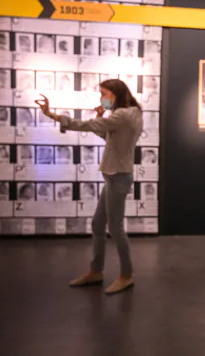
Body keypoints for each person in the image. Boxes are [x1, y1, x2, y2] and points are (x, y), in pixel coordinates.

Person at [35, 79, 142, 295]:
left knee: (115, 228)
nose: (101, 98)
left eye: (104, 93)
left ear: (116, 94)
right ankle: (96, 271)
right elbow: (107, 135)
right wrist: (101, 117)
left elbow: (87, 126)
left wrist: (52, 115)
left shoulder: (122, 115)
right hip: (114, 175)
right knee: (97, 224)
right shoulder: (130, 113)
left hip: (118, 176)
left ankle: (126, 275)